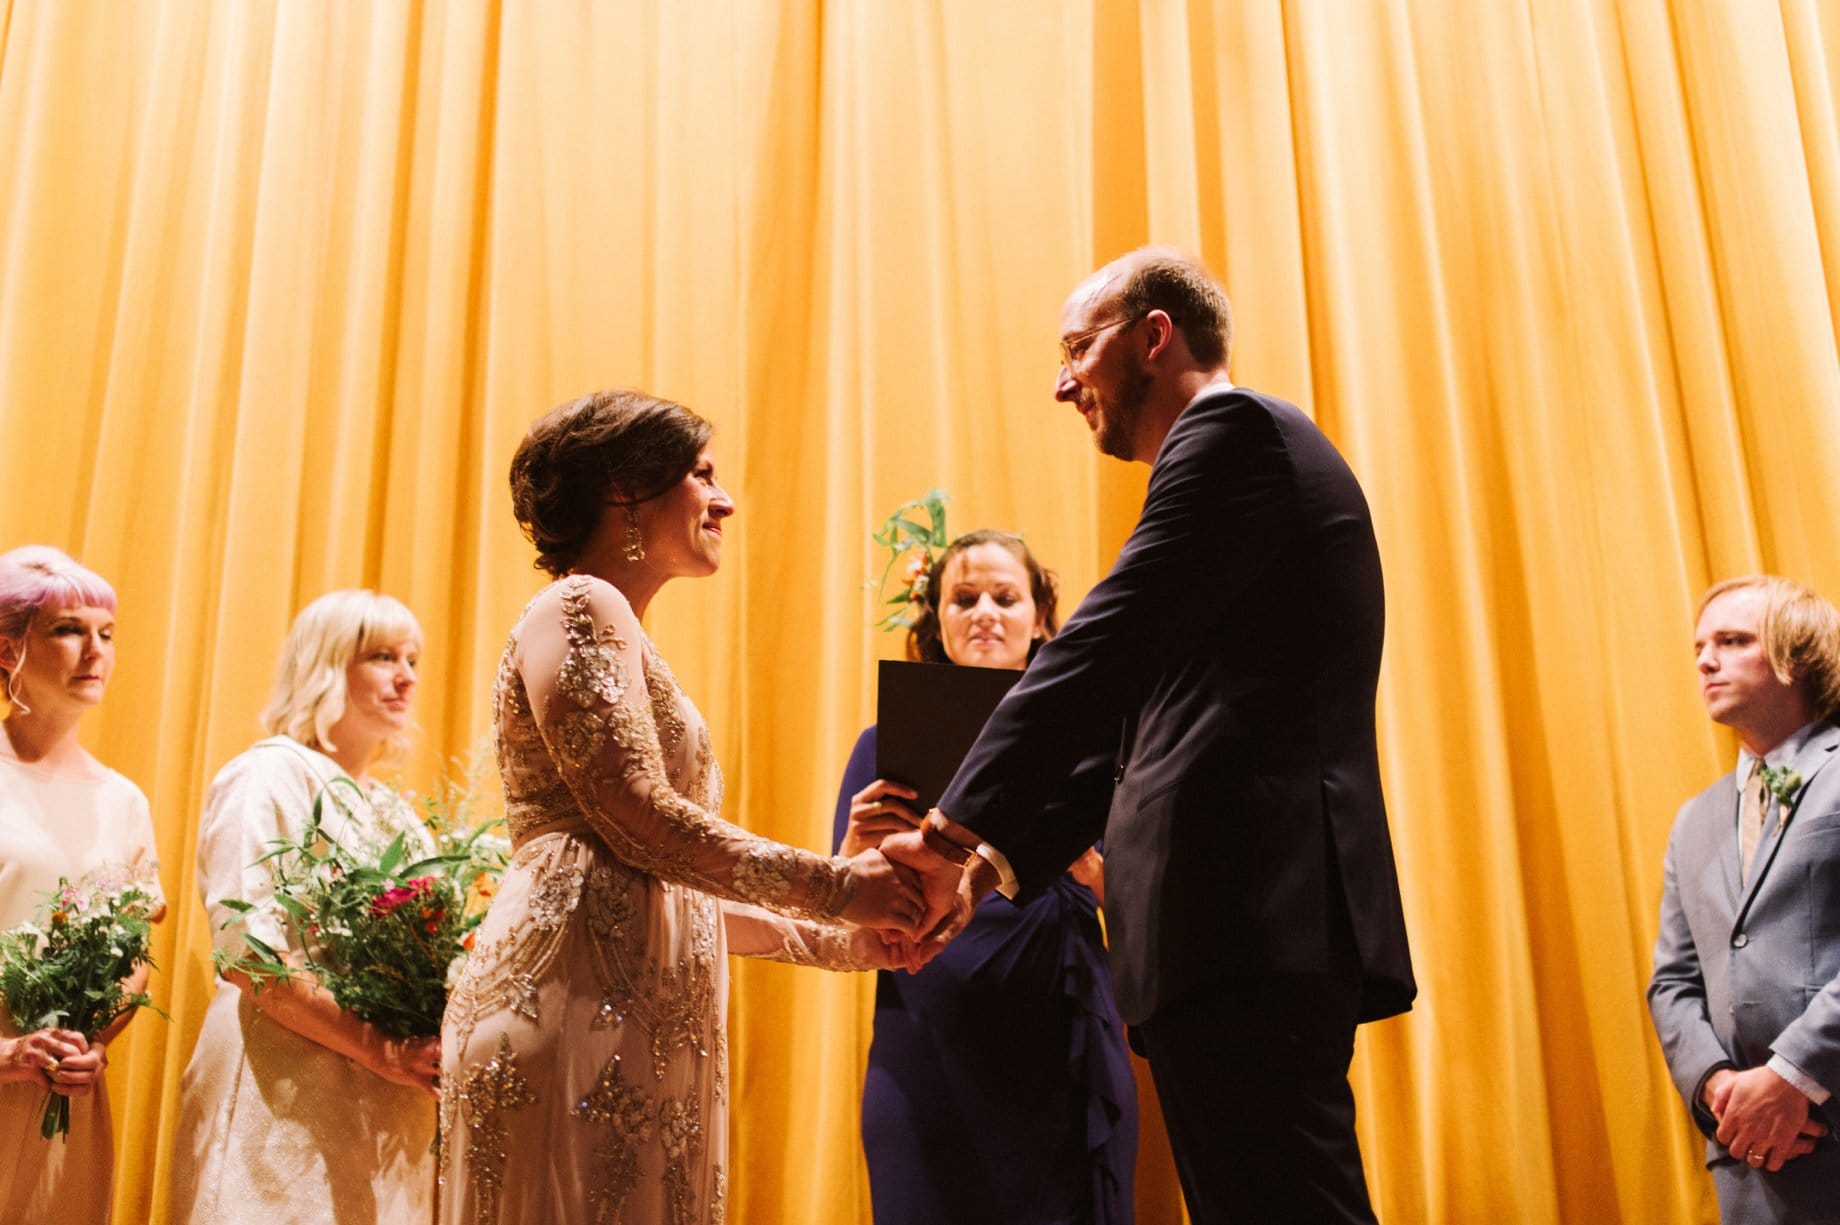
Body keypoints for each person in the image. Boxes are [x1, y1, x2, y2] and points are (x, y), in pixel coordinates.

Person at [881, 247, 1416, 1224]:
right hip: (1222, 929)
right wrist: (988, 862)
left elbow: (1103, 643)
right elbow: (1127, 726)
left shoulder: (1235, 436)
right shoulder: (1218, 479)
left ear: (1154, 337)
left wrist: (952, 828)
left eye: (1078, 348)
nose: (1061, 381)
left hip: (1254, 914)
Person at [438, 389, 925, 1225]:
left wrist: (851, 940)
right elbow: (640, 814)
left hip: (631, 1021)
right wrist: (841, 885)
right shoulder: (580, 603)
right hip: (567, 1009)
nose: (725, 498)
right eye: (702, 474)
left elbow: (669, 888)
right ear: (627, 490)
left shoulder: (623, 628)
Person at [834, 528, 1137, 1224]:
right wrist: (853, 843)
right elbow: (837, 926)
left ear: (1041, 622)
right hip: (925, 1056)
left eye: (1006, 597)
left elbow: (1148, 907)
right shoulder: (881, 748)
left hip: (1061, 1047)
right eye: (963, 598)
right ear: (936, 620)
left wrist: (1082, 860)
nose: (984, 613)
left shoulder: (1095, 742)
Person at [169, 589, 441, 1223]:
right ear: (324, 664)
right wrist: (378, 1047)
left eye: (412, 659)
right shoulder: (269, 776)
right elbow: (247, 951)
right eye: (381, 656)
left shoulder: (400, 816)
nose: (406, 677)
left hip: (385, 1115)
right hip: (281, 1097)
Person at [1648, 575, 1840, 1222]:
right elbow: (1671, 981)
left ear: (1798, 657)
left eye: (1732, 640)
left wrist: (1793, 1074)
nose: (1706, 659)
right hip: (1749, 1163)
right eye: (1701, 645)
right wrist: (1718, 1090)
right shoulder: (1692, 821)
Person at [0, 546, 164, 1224]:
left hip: (62, 1100)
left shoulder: (122, 799)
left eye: (106, 633)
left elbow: (133, 959)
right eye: (69, 629)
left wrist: (95, 1044)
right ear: (8, 649)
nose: (94, 651)